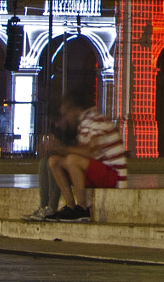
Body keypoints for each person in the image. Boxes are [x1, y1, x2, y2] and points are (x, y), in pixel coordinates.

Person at [40, 89, 126, 221]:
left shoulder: (95, 120)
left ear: (74, 109)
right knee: (54, 161)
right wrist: (56, 150)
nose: (66, 118)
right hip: (97, 171)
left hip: (112, 174)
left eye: (66, 113)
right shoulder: (84, 124)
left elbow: (90, 152)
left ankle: (82, 208)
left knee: (71, 160)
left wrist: (62, 149)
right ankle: (71, 206)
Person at [23, 99, 84, 222]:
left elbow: (77, 149)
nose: (57, 125)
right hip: (71, 160)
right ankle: (43, 206)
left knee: (54, 162)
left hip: (77, 163)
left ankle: (51, 206)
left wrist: (58, 148)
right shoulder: (63, 131)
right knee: (45, 161)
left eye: (59, 121)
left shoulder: (77, 127)